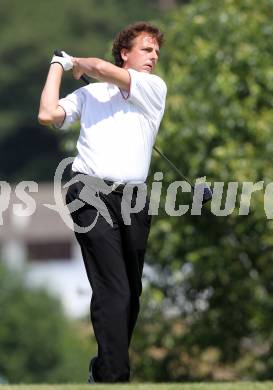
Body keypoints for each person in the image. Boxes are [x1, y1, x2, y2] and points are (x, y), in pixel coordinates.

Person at [38, 21, 167, 383]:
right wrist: (56, 67)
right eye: (146, 49)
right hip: (89, 192)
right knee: (114, 288)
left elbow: (103, 69)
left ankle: (102, 368)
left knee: (131, 294)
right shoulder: (88, 96)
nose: (154, 57)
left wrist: (77, 62)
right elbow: (47, 114)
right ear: (126, 52)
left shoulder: (153, 88)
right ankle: (114, 377)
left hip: (134, 199)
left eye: (156, 51)